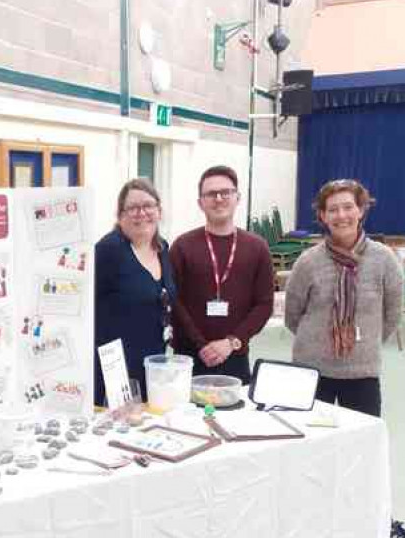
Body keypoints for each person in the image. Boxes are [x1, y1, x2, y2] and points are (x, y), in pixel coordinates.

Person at [285, 178, 405, 538]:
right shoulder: (308, 262)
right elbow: (293, 315)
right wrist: (322, 343)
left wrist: (356, 347)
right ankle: (309, 522)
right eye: (332, 209)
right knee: (310, 452)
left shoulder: (385, 260)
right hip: (311, 375)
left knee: (365, 454)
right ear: (322, 216)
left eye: (348, 206)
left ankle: (377, 521)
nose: (341, 214)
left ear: (361, 210)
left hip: (361, 373)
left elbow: (392, 316)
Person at [169, 165, 273, 384]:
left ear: (237, 197)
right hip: (189, 357)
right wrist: (201, 345)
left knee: (236, 416)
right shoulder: (182, 246)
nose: (218, 198)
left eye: (226, 192)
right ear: (200, 202)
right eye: (210, 194)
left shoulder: (257, 247)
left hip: (235, 356)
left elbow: (264, 304)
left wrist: (230, 342)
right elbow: (173, 301)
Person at [94, 178, 176, 406]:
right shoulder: (108, 251)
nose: (141, 213)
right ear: (120, 216)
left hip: (152, 361)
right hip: (117, 367)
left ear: (159, 211)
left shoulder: (162, 248)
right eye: (133, 208)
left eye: (148, 206)